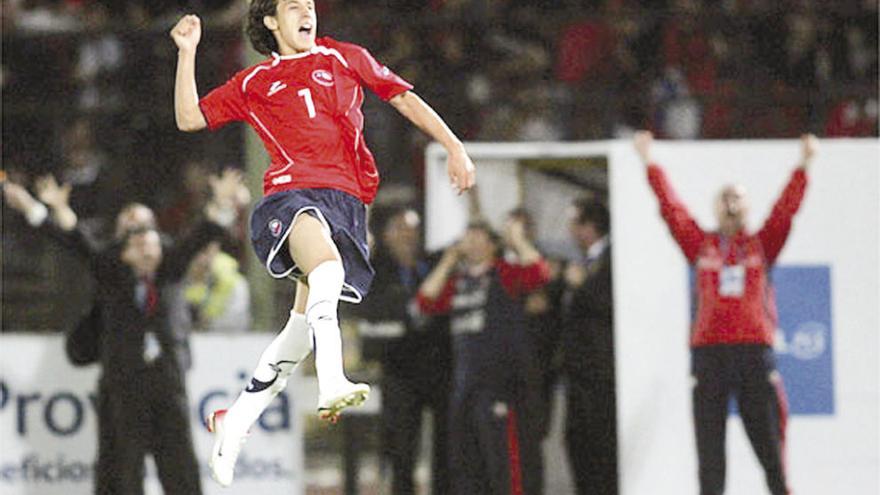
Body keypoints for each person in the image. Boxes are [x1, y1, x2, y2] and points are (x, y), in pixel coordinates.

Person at [169, 0, 475, 487]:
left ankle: (238, 418)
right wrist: (188, 52)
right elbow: (189, 117)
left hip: (347, 205)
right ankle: (332, 379)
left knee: (298, 328)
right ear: (271, 20)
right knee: (328, 268)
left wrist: (453, 144)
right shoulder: (254, 82)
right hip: (291, 197)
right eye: (293, 5)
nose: (306, 11)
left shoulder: (344, 58)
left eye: (309, 4)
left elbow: (402, 98)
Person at [2, 169, 248, 495]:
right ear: (122, 249)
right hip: (123, 387)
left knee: (180, 468)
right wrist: (35, 209)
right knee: (121, 469)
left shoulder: (171, 267)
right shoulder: (112, 272)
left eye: (149, 235)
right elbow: (76, 242)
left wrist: (221, 203)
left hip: (167, 384)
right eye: (134, 237)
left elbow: (202, 234)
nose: (145, 244)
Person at [634, 131, 817, 495]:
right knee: (710, 454)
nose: (731, 203)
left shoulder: (762, 245)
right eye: (725, 198)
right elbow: (673, 210)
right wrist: (648, 162)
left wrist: (805, 164)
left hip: (753, 354)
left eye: (738, 198)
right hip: (709, 356)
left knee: (770, 448)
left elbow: (785, 210)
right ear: (715, 207)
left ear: (747, 207)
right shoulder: (700, 246)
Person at [417, 219, 549, 495]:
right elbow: (425, 301)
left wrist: (518, 241)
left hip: (501, 388)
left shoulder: (504, 273)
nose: (473, 243)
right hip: (465, 388)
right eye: (468, 237)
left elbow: (539, 274)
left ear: (492, 244)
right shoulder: (458, 281)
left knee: (504, 466)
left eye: (479, 237)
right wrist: (449, 261)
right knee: (467, 467)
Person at [355, 206, 452, 495]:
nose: (407, 237)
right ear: (386, 236)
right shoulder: (378, 273)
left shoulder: (435, 265)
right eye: (399, 229)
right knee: (401, 451)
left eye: (412, 230)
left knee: (446, 450)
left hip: (440, 369)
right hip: (399, 372)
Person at [560, 197, 617, 495]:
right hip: (577, 375)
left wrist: (582, 286)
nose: (569, 231)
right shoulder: (578, 262)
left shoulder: (615, 258)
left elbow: (610, 303)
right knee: (576, 445)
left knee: (601, 451)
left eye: (573, 223)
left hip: (602, 375)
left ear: (589, 227)